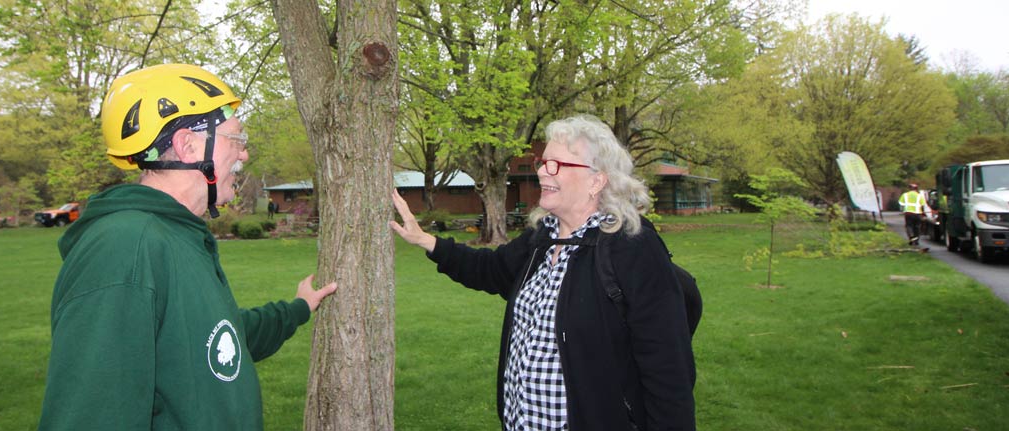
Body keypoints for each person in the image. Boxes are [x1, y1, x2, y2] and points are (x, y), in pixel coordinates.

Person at [38, 64, 338, 430]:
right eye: (236, 140)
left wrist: (297, 308)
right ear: (188, 145)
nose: (244, 155)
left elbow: (216, 339)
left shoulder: (175, 235)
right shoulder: (123, 249)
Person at [390, 115, 696, 430]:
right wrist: (425, 240)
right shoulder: (542, 239)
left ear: (596, 180)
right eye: (543, 162)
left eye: (556, 165)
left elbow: (667, 368)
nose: (541, 172)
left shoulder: (632, 246)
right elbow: (490, 270)